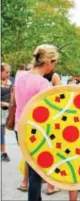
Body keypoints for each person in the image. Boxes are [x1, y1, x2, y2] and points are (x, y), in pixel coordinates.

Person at [14, 44, 59, 201]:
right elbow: (46, 112)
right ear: (48, 62)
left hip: (19, 128)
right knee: (36, 175)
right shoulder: (43, 84)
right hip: (36, 131)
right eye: (54, 64)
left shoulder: (20, 77)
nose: (54, 68)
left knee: (31, 167)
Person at [1, 63, 12, 162]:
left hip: (4, 113)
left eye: (9, 72)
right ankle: (3, 153)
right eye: (6, 72)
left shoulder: (10, 82)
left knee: (1, 132)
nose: (8, 74)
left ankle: (3, 153)